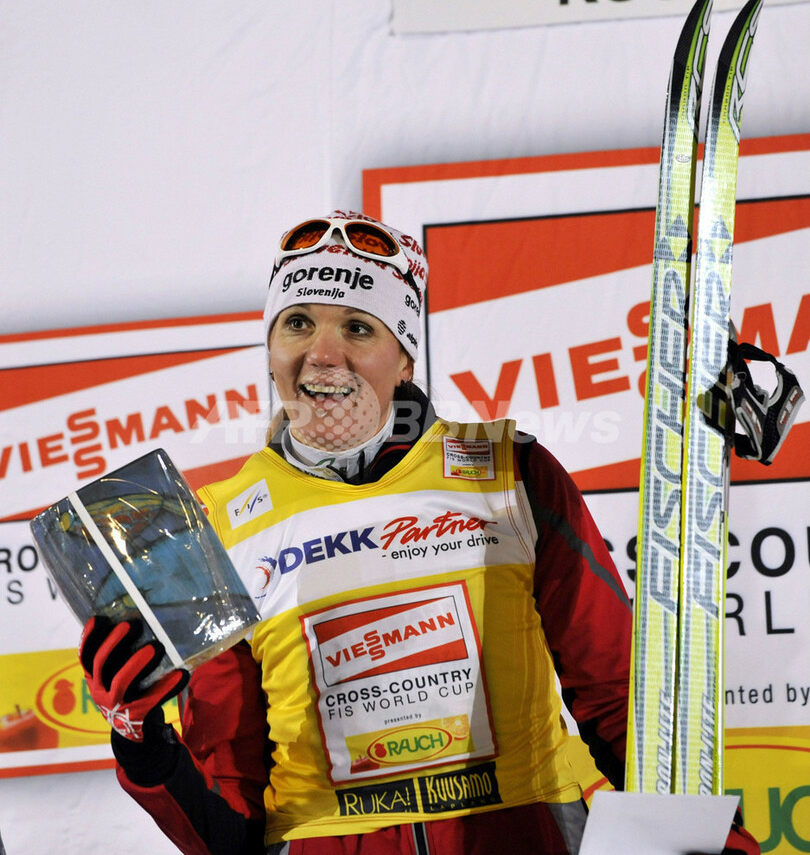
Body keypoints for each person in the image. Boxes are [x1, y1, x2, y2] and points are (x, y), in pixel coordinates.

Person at [79, 212, 758, 855]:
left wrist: (704, 836)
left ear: (405, 358)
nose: (323, 355)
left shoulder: (510, 472)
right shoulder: (217, 527)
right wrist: (143, 745)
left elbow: (618, 698)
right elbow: (230, 816)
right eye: (298, 323)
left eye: (357, 327)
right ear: (270, 348)